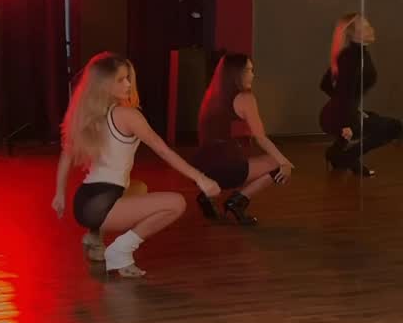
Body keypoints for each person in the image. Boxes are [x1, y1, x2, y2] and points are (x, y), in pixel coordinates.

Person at [51, 52, 220, 278]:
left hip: (85, 201)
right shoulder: (128, 115)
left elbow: (66, 155)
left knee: (138, 187)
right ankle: (120, 252)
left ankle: (94, 235)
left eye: (128, 78)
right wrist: (200, 178)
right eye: (121, 80)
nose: (128, 84)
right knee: (176, 203)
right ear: (104, 85)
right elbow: (163, 150)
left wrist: (60, 194)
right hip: (102, 204)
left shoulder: (89, 116)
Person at [192, 52, 293, 225]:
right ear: (235, 73)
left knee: (239, 157)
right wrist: (285, 162)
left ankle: (206, 195)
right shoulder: (245, 98)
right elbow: (260, 137)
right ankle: (237, 202)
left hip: (200, 166)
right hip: (223, 166)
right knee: (276, 164)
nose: (252, 75)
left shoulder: (212, 94)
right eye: (248, 70)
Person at [320, 13, 401, 177]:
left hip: (338, 113)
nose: (371, 29)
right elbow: (342, 91)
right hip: (339, 118)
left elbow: (326, 85)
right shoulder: (353, 58)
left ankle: (335, 154)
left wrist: (352, 110)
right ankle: (346, 158)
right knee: (394, 127)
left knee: (381, 122)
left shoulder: (353, 54)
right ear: (354, 34)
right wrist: (346, 121)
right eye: (365, 26)